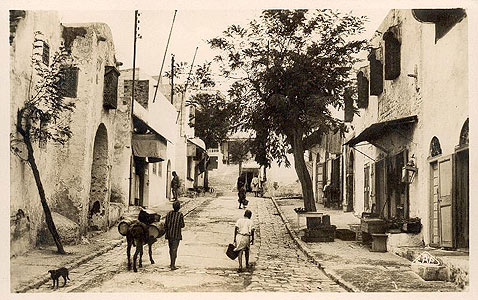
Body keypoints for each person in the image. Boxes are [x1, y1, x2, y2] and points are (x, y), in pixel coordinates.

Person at [164, 201, 184, 270]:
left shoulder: (169, 214)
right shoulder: (180, 215)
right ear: (179, 208)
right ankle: (173, 265)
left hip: (169, 235)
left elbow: (165, 224)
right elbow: (182, 225)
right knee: (174, 249)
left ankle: (171, 263)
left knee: (170, 249)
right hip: (176, 235)